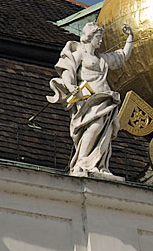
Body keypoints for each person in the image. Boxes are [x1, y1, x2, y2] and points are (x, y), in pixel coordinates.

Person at [47, 22, 134, 178]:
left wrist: (130, 38)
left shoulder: (102, 59)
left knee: (103, 129)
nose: (100, 41)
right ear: (89, 37)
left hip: (104, 98)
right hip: (86, 98)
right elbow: (67, 69)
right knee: (93, 127)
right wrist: (71, 85)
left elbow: (121, 57)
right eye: (98, 37)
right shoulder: (79, 52)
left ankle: (96, 163)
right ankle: (82, 162)